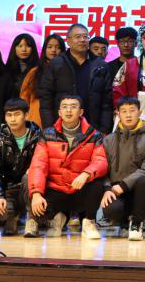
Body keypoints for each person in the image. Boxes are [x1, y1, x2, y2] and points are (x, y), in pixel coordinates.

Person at [26, 94, 108, 239]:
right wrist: (36, 193)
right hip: (56, 190)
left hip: (80, 190)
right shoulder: (47, 135)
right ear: (59, 112)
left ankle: (89, 222)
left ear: (81, 112)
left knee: (97, 183)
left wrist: (86, 174)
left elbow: (100, 161)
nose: (68, 110)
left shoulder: (94, 135)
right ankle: (55, 218)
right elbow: (38, 165)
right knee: (28, 180)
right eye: (64, 107)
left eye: (73, 107)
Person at [100, 97, 145, 240]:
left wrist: (123, 185)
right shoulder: (108, 140)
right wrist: (107, 188)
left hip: (138, 190)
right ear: (118, 114)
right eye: (124, 111)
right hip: (115, 189)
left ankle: (136, 223)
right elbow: (102, 168)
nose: (128, 115)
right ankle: (122, 221)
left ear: (139, 113)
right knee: (112, 210)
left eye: (132, 111)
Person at [0, 98, 43, 236]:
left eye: (17, 114)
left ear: (26, 115)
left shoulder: (38, 137)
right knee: (0, 213)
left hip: (31, 188)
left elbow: (43, 167)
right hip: (9, 189)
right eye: (9, 115)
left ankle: (32, 220)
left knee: (30, 175)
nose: (12, 119)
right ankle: (13, 216)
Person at [38, 23, 108, 131]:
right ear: (68, 41)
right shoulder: (55, 64)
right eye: (78, 37)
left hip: (93, 126)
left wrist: (104, 129)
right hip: (62, 127)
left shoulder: (100, 65)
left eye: (85, 36)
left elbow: (107, 100)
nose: (82, 40)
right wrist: (49, 128)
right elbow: (46, 98)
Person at [22, 35, 64, 126]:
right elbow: (24, 98)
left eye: (58, 47)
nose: (53, 50)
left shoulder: (66, 71)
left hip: (62, 120)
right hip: (36, 121)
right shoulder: (34, 72)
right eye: (50, 47)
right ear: (44, 49)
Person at [5, 34, 39, 106]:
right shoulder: (6, 69)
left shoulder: (38, 69)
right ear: (14, 48)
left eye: (28, 46)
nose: (24, 49)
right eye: (20, 46)